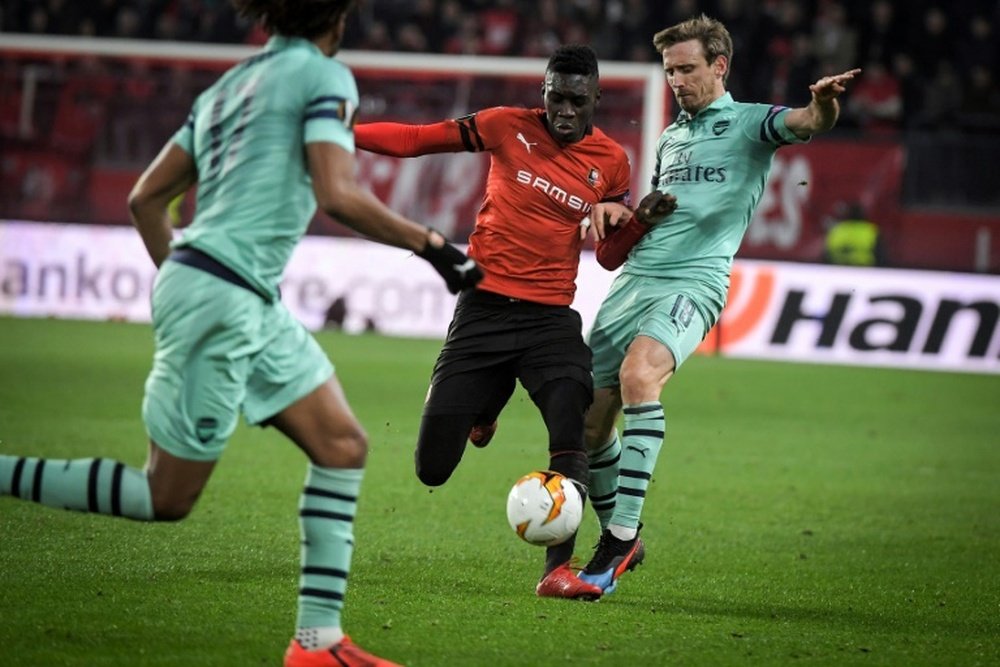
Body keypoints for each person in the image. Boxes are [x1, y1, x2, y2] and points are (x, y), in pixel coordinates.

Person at [0, 2, 482, 666]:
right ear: (336, 19)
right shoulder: (325, 77)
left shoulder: (227, 86)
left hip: (238, 294)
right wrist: (431, 244)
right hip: (226, 294)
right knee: (165, 496)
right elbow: (336, 193)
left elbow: (144, 199)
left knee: (341, 445)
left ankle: (318, 643)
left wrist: (188, 282)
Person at [575, 13, 860, 595]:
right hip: (635, 282)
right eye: (669, 70)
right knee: (589, 423)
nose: (676, 79)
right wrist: (621, 217)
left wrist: (824, 104)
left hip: (694, 282)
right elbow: (652, 219)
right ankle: (622, 535)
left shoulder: (753, 123)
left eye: (686, 68)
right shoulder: (669, 138)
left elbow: (809, 121)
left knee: (639, 377)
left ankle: (620, 536)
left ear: (719, 66)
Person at [353, 44, 632, 600]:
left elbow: (609, 255)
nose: (565, 111)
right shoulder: (507, 126)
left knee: (569, 418)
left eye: (578, 100)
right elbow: (414, 141)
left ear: (596, 98)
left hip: (550, 317)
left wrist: (632, 219)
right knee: (432, 468)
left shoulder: (614, 162)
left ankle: (558, 569)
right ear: (544, 93)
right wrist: (340, 134)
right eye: (556, 98)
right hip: (482, 310)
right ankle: (485, 406)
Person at [823, 201, 887, 266]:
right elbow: (880, 256)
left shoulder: (837, 230)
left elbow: (826, 254)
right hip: (864, 270)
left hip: (838, 269)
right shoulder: (871, 231)